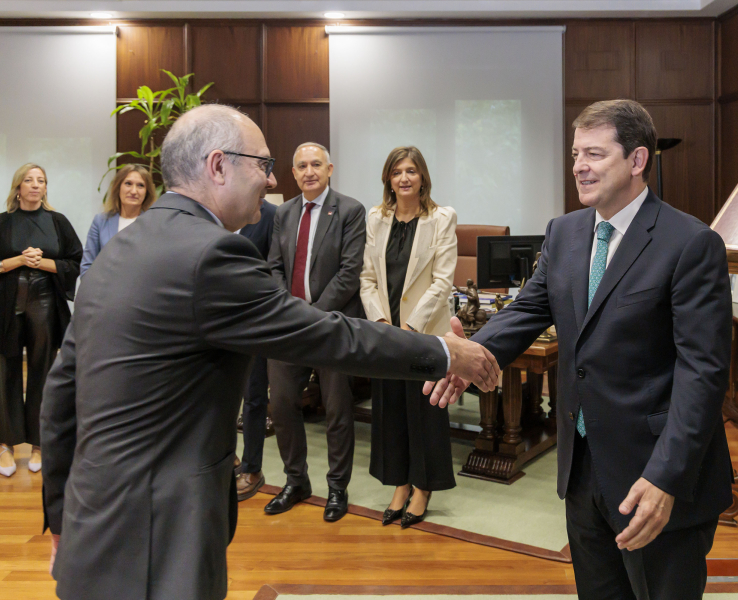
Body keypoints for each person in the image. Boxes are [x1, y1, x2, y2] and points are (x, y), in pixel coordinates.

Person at [40, 104, 500, 600]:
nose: (274, 177)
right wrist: (443, 352)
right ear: (218, 166)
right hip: (159, 534)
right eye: (262, 163)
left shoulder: (119, 253)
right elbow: (330, 336)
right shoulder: (211, 254)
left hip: (92, 520)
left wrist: (62, 517)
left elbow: (60, 394)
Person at [427, 100, 733, 600]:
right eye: (575, 154)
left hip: (655, 474)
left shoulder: (690, 243)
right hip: (583, 465)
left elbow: (703, 374)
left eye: (594, 153)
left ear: (637, 160)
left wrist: (666, 477)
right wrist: (470, 355)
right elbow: (527, 310)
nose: (579, 167)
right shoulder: (565, 232)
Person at [263, 142, 366, 521]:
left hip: (332, 326)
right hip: (288, 327)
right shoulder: (284, 213)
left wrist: (313, 315)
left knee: (337, 409)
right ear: (293, 173)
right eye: (302, 165)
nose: (309, 171)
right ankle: (296, 480)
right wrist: (289, 311)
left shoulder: (350, 210)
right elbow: (274, 266)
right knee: (283, 404)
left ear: (330, 169)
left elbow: (349, 274)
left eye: (316, 165)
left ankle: (337, 488)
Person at [360, 146, 458, 528]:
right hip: (386, 332)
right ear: (388, 178)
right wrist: (382, 321)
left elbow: (442, 280)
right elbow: (367, 278)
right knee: (389, 410)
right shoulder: (376, 218)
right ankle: (399, 484)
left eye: (411, 171)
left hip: (423, 333)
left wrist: (410, 327)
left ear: (422, 178)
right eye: (397, 171)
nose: (404, 178)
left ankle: (423, 487)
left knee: (424, 411)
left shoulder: (441, 218)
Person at [0, 164, 82, 478]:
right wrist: (19, 260)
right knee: (5, 372)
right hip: (5, 307)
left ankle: (39, 443)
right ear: (17, 187)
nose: (36, 185)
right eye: (29, 180)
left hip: (45, 304)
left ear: (45, 188)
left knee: (43, 372)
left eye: (41, 181)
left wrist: (42, 262)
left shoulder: (57, 221)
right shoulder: (3, 222)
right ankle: (4, 444)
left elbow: (76, 260)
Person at [235, 197, 278, 499]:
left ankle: (252, 467)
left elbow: (275, 269)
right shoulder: (209, 212)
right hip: (214, 318)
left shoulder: (271, 215)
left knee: (253, 396)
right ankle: (227, 460)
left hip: (253, 319)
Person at [80, 164, 156, 276]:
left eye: (140, 185)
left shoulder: (154, 223)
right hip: (104, 291)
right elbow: (87, 267)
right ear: (118, 187)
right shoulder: (100, 221)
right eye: (128, 184)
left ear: (147, 192)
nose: (134, 191)